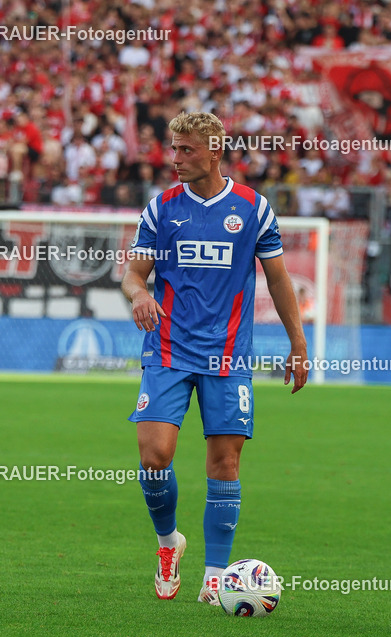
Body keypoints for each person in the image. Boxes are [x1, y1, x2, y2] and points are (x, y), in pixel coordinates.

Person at [120, 112, 308, 606]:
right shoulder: (162, 208)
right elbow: (133, 274)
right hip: (167, 349)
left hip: (228, 356)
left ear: (214, 150)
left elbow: (278, 280)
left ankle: (216, 577)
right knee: (153, 456)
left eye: (185, 150)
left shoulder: (253, 208)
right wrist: (139, 294)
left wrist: (298, 343)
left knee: (225, 462)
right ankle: (168, 543)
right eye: (173, 148)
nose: (175, 158)